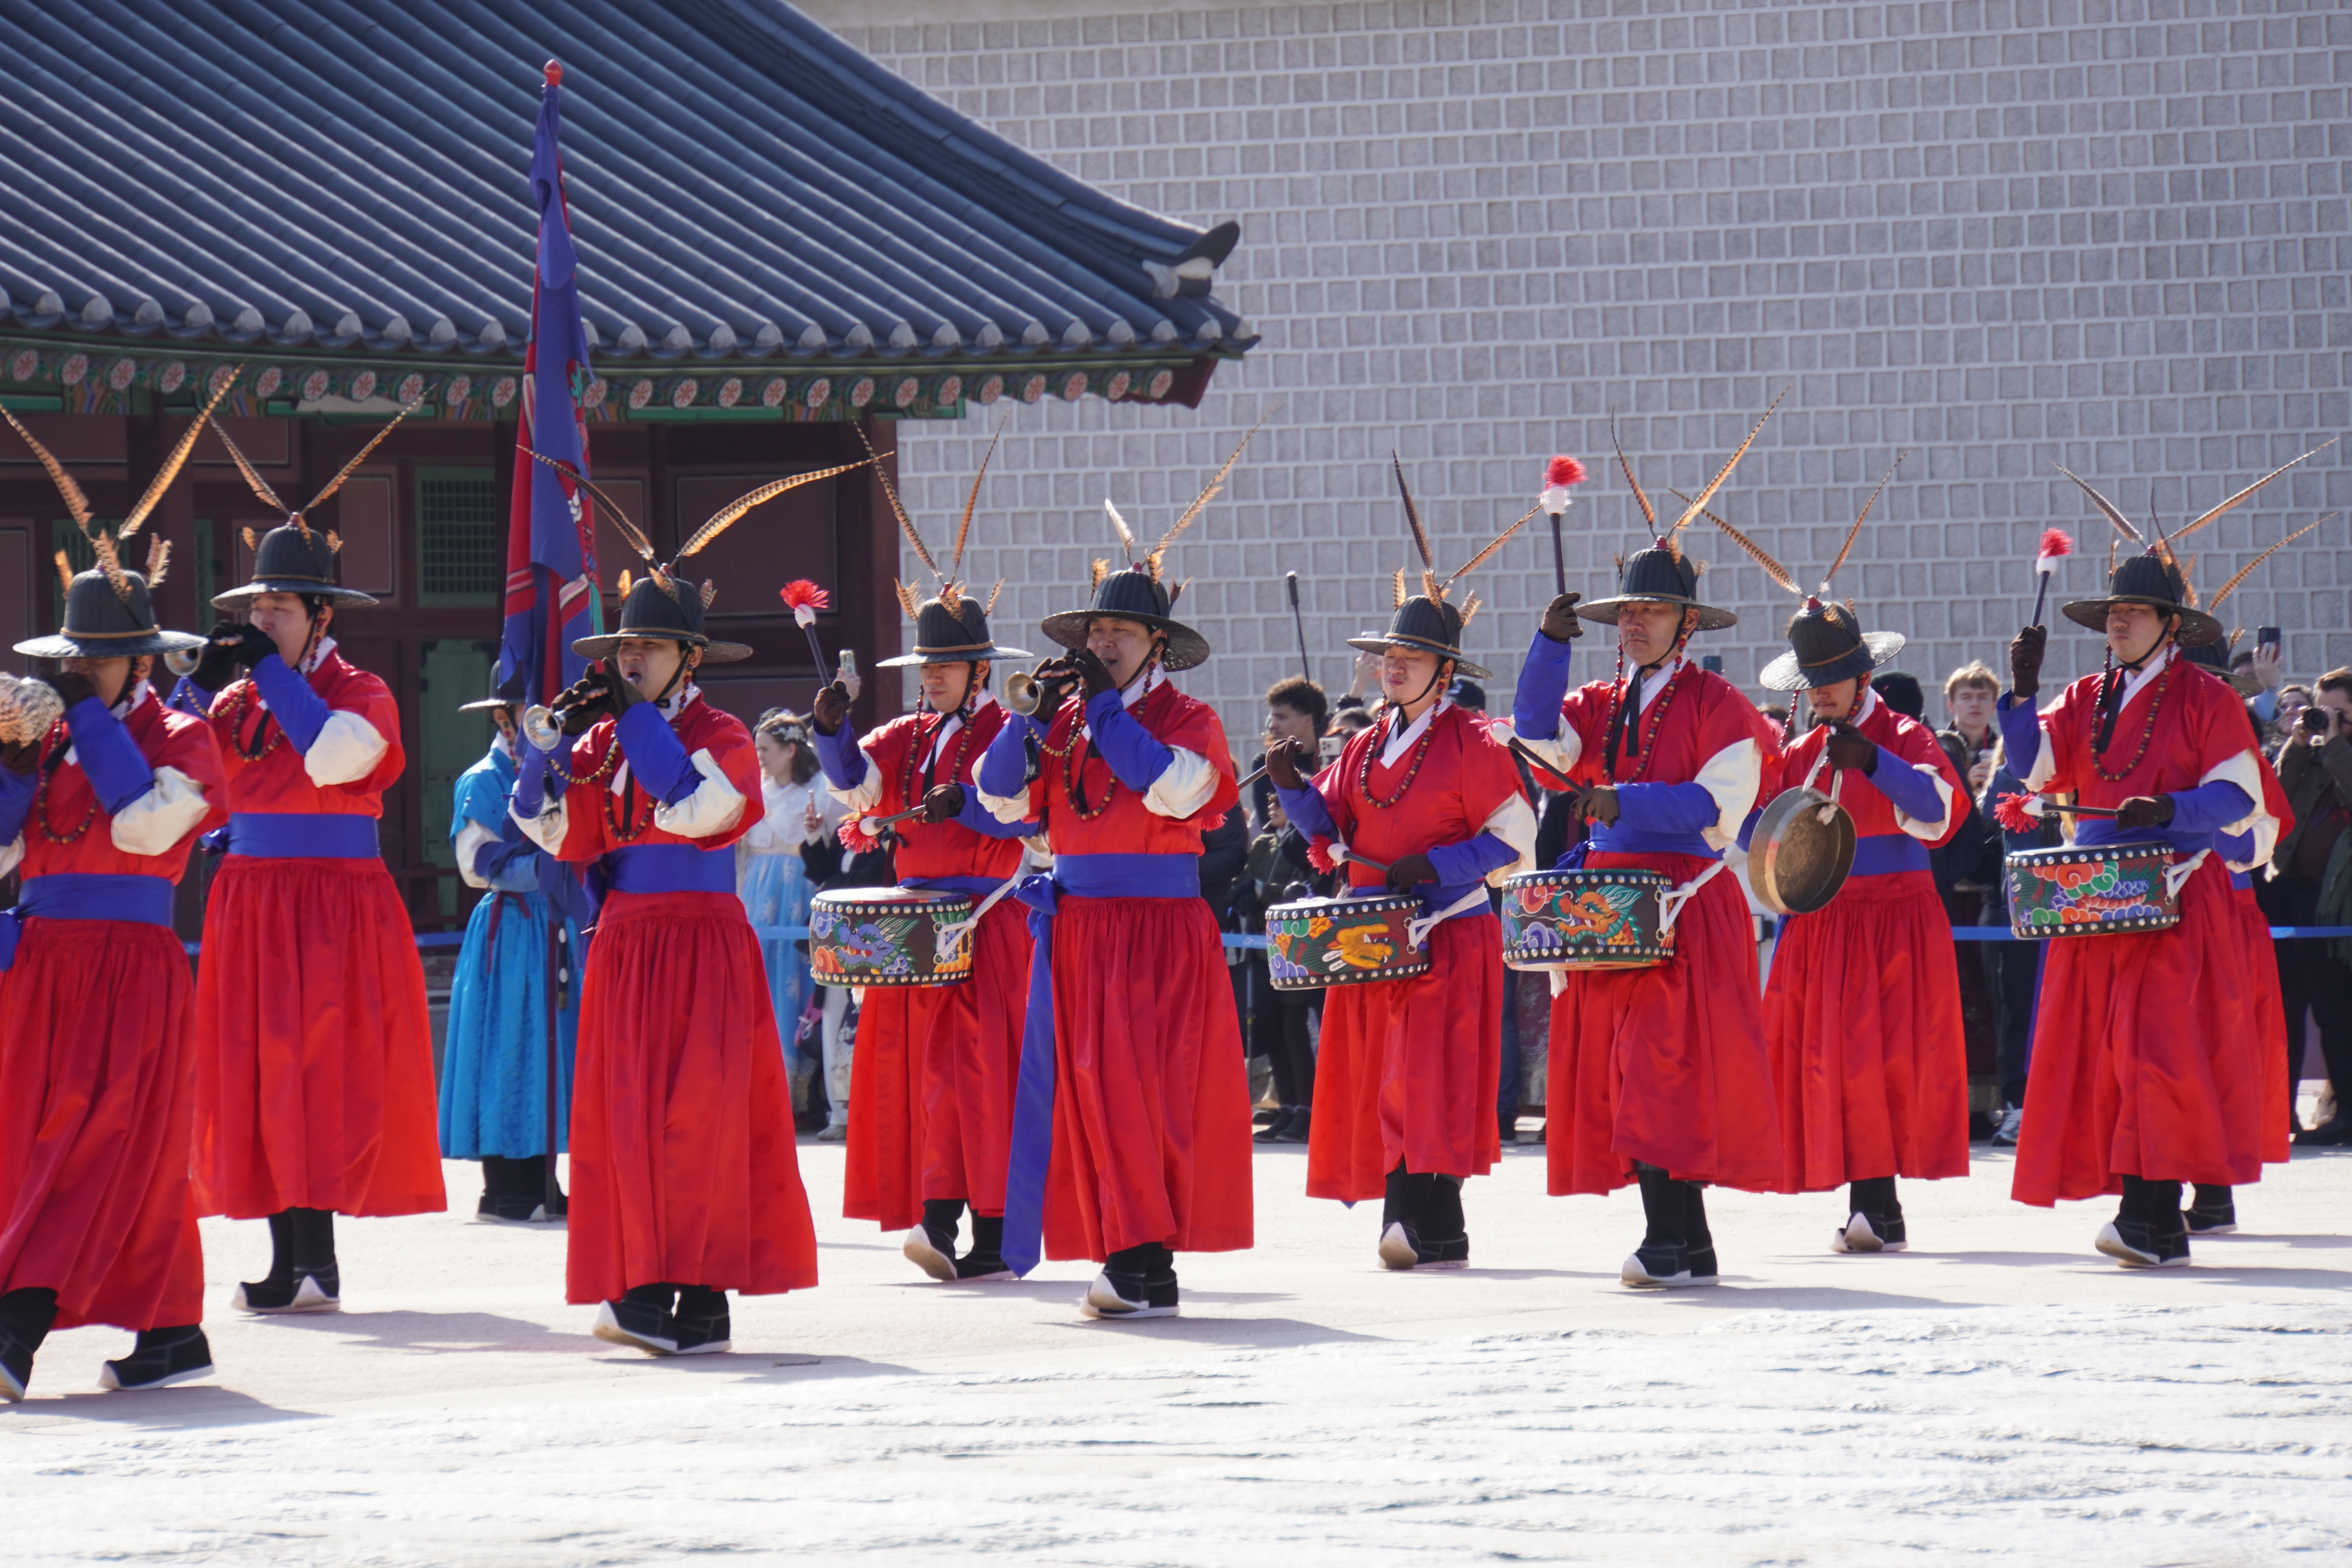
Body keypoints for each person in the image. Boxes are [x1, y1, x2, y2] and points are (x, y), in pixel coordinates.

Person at [511, 479, 834, 1356]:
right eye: (627, 647)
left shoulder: (722, 731)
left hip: (698, 940)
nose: (631, 661)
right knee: (627, 1116)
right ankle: (652, 1285)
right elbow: (555, 833)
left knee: (700, 1117)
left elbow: (700, 810)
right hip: (625, 941)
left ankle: (694, 1291)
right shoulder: (606, 737)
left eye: (649, 647)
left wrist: (632, 726)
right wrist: (542, 759)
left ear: (688, 657)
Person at [1996, 453, 2312, 1267]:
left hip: (2176, 898)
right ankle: (2155, 1219)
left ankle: (2149, 1213)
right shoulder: (2083, 697)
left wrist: (2170, 808)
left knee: (2156, 1056)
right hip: (2099, 899)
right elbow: (2032, 775)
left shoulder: (2207, 699)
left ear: (2172, 623)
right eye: (2113, 611)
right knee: (2108, 1057)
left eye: (2135, 611)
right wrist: (2021, 695)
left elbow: (2243, 798)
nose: (2118, 622)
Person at [975, 441, 1255, 1320]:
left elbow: (1176, 789)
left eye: (1118, 634)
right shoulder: (1061, 715)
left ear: (1155, 644)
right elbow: (998, 800)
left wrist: (1097, 708)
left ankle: (1141, 1256)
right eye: (1094, 634)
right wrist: (1026, 723)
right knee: (1089, 1089)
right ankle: (1132, 1257)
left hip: (1156, 927)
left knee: (1146, 1089)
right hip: (1080, 923)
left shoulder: (1189, 717)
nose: (1099, 645)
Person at [1507, 411, 1786, 1289]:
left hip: (1683, 903)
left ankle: (1673, 1237)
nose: (1633, 622)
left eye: (1652, 610)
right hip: (1610, 904)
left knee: (1665, 1070)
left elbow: (1716, 805)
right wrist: (1549, 647)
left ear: (1686, 622)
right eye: (1626, 610)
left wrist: (1619, 798)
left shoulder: (1724, 707)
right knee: (1630, 1072)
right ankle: (1683, 1238)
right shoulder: (1599, 695)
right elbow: (1540, 742)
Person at [184, 497, 446, 1314]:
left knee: (319, 1070)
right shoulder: (231, 704)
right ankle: (285, 1256)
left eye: (279, 608)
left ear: (320, 614)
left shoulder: (362, 691)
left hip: (333, 906)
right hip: (251, 901)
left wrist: (263, 670)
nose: (261, 620)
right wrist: (193, 684)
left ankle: (317, 1257)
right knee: (257, 1072)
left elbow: (336, 761)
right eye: (255, 608)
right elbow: (176, 780)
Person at [1267, 474, 1535, 1270]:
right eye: (1389, 653)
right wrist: (1291, 786)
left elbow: (1514, 839)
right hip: (1373, 933)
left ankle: (1421, 1218)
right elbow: (1333, 830)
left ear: (1443, 670)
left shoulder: (1478, 743)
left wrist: (1439, 862)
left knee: (1430, 1076)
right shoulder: (1360, 744)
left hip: (1446, 929)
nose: (1393, 665)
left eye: (1410, 655)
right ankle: (1420, 1222)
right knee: (1383, 1076)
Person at [0, 493, 227, 1398]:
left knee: (93, 1138)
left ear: (138, 656)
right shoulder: (48, 738)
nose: (79, 672)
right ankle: (170, 1327)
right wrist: (14, 765)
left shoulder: (186, 734)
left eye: (94, 658)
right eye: (72, 659)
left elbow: (145, 829)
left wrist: (82, 724)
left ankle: (17, 1320)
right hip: (41, 963)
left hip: (129, 965)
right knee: (59, 1142)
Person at [809, 477, 1039, 1284]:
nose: (930, 675)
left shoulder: (1012, 728)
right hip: (914, 934)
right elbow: (859, 786)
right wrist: (832, 731)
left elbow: (1025, 816)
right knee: (927, 1079)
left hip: (988, 925)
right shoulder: (907, 732)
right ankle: (938, 1218)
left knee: (986, 1078)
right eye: (925, 663)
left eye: (944, 664)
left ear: (980, 669)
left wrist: (970, 809)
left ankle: (998, 1228)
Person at [1749, 535, 1970, 1252]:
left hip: (1894, 920)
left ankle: (1879, 1200)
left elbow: (1943, 814)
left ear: (1864, 673)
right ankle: (1862, 1200)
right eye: (1813, 680)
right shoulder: (1799, 752)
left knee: (1885, 1062)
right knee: (1825, 1064)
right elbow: (1760, 830)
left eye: (1836, 676)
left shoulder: (1905, 734)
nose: (1823, 690)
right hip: (1821, 920)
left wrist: (1874, 760)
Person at [440, 686, 592, 1223]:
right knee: (508, 1047)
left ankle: (541, 1179)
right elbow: (474, 862)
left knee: (549, 1050)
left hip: (555, 923)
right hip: (512, 926)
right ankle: (505, 1185)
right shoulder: (482, 780)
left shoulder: (567, 769)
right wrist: (544, 868)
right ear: (506, 722)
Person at [738, 711, 845, 1134]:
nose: (759, 756)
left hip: (798, 889)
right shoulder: (757, 789)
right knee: (763, 980)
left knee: (800, 981)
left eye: (765, 748)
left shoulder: (819, 790)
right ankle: (765, 1088)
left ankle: (808, 1093)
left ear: (790, 750)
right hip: (759, 893)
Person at [2268, 669, 2352, 1143]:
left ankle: (2346, 1112)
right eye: (2323, 709)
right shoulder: (2313, 749)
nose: (2327, 719)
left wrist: (2336, 741)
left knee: (2335, 1010)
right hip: (2292, 893)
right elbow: (2277, 797)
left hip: (2337, 904)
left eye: (2340, 712)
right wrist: (2299, 743)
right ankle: (2280, 1112)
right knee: (2286, 1008)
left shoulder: (2340, 752)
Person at [1933, 662, 2004, 1125]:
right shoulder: (1938, 749)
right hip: (1946, 894)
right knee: (1949, 999)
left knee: (1991, 998)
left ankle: (1990, 1103)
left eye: (1983, 696)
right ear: (1951, 703)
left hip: (1988, 893)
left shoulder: (2009, 749)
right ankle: (1949, 1103)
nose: (1975, 703)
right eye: (1967, 696)